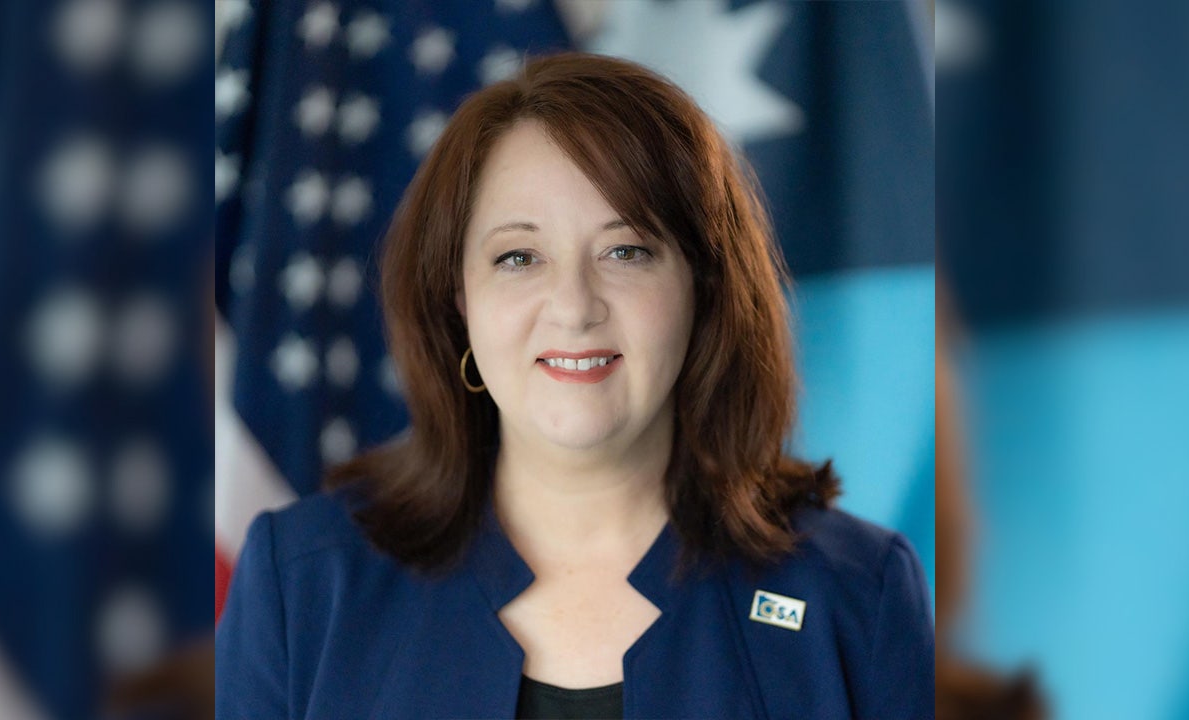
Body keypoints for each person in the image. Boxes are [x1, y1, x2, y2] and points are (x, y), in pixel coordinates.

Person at [216, 52, 933, 719]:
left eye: (626, 251)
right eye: (519, 257)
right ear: (459, 300)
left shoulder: (857, 596)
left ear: (704, 287)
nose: (573, 307)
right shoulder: (302, 586)